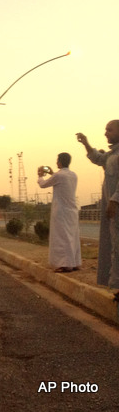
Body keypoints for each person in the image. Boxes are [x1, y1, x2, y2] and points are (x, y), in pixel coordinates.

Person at [76, 120, 119, 299]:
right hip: (113, 212)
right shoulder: (112, 154)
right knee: (114, 246)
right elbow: (97, 158)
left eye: (109, 130)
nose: (106, 133)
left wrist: (114, 200)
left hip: (116, 206)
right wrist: (86, 143)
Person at [37, 153, 81, 273]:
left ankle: (64, 264)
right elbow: (60, 181)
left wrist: (40, 176)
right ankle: (75, 262)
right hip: (72, 210)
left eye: (57, 161)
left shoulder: (59, 175)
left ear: (60, 162)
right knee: (73, 237)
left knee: (61, 238)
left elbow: (43, 184)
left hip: (61, 211)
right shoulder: (73, 175)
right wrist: (52, 173)